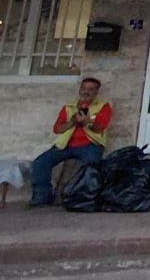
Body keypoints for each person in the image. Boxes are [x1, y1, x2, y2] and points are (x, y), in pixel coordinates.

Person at [29, 77, 111, 207]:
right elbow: (57, 129)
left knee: (93, 166)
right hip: (65, 145)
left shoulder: (103, 106)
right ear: (80, 90)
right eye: (84, 89)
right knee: (39, 163)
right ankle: (42, 197)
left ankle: (84, 199)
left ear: (97, 92)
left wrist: (87, 122)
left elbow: (99, 128)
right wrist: (72, 122)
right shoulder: (69, 107)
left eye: (91, 89)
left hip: (90, 145)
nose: (86, 92)